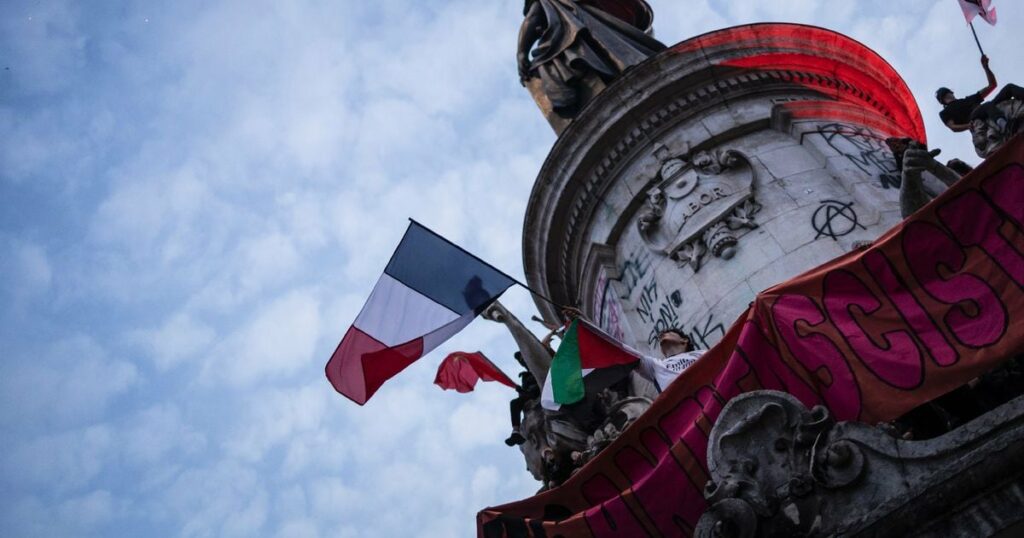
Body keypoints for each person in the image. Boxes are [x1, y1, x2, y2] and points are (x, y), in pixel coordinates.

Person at [937, 55, 997, 132]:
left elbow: (992, 85)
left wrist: (986, 67)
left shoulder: (968, 100)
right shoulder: (945, 112)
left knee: (1009, 88)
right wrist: (968, 125)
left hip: (987, 112)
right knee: (987, 105)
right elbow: (953, 127)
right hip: (976, 120)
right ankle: (1003, 123)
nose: (949, 94)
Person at [636, 328, 704, 392]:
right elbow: (631, 356)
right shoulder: (656, 365)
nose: (662, 336)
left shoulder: (700, 354)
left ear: (684, 340)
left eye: (668, 333)